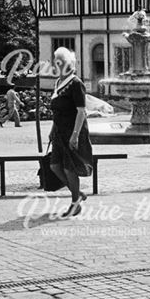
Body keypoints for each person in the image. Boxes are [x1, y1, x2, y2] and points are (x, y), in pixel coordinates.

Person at [48, 47, 93, 218]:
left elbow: (81, 111)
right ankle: (77, 193)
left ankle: (75, 203)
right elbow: (56, 111)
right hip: (60, 132)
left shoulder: (75, 83)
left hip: (74, 131)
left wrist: (75, 135)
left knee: (69, 168)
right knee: (54, 166)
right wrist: (52, 129)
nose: (56, 65)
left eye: (59, 62)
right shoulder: (58, 83)